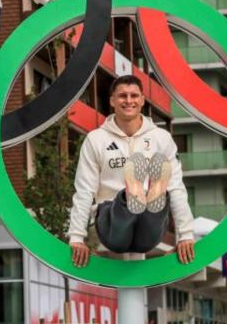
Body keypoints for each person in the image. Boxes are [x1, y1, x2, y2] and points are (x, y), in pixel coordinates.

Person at [68, 75, 195, 267]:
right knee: (123, 209)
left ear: (142, 100)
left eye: (134, 95)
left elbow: (176, 188)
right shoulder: (96, 139)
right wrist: (77, 237)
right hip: (112, 223)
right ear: (112, 101)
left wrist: (185, 235)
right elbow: (85, 190)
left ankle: (150, 196)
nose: (129, 101)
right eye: (122, 96)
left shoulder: (161, 138)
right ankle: (129, 197)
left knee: (155, 210)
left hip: (148, 230)